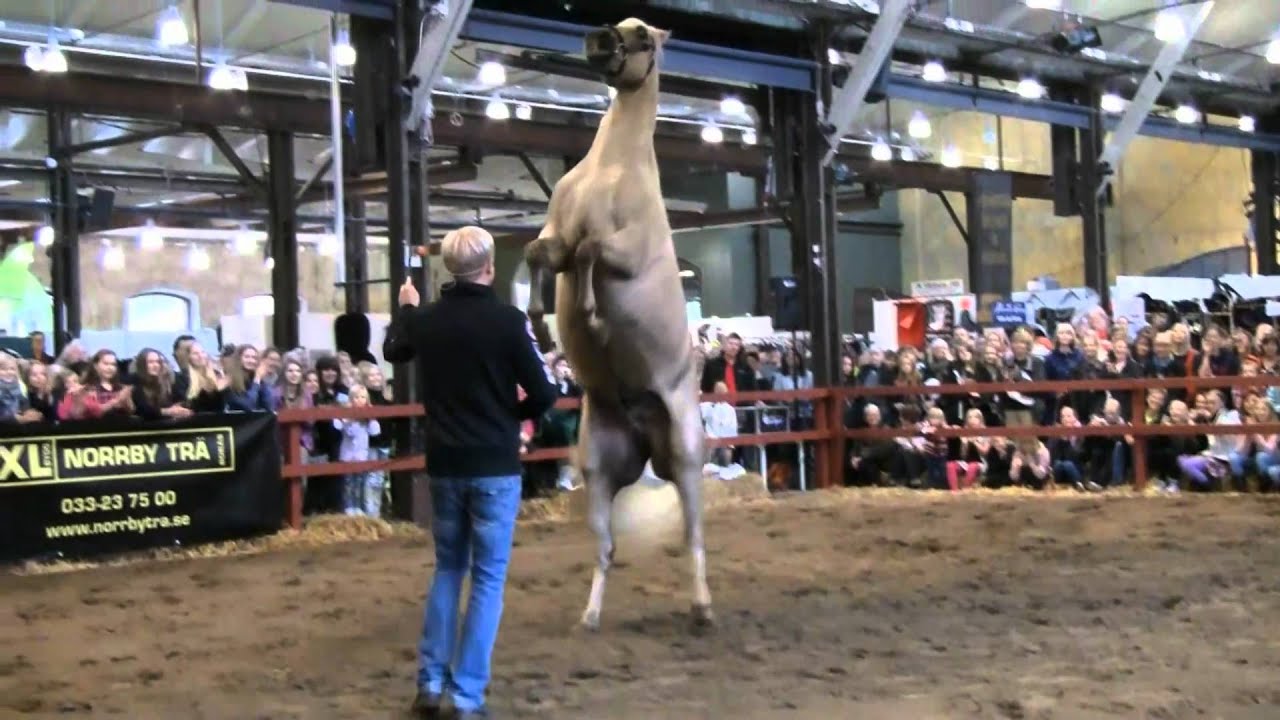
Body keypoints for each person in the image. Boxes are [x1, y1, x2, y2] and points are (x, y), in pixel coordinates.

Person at [383, 226, 556, 720]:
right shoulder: (508, 322)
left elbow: (394, 350)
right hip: (494, 463)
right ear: (489, 268)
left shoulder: (427, 320)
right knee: (487, 578)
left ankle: (430, 683)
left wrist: (407, 308)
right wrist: (509, 418)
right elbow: (544, 393)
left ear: (449, 269)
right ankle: (465, 695)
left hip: (445, 462)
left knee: (448, 569)